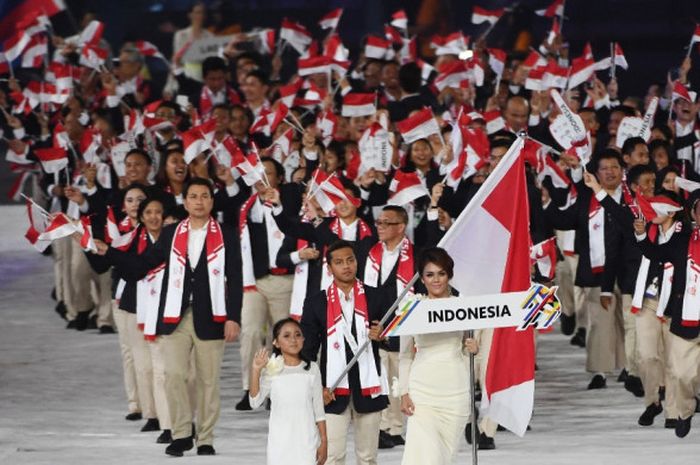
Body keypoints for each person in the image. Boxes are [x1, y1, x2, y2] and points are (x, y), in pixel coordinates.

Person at [95, 177, 243, 457]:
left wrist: (233, 317)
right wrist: (110, 252)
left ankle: (206, 437)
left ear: (212, 201)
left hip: (212, 316)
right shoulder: (172, 232)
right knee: (174, 375)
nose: (199, 201)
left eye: (204, 196)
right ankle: (182, 433)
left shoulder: (226, 233)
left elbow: (234, 278)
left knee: (208, 380)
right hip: (175, 315)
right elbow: (142, 265)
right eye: (193, 196)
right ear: (184, 202)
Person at [300, 240, 389, 465]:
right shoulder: (315, 302)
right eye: (339, 262)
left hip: (369, 387)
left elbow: (394, 339)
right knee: (331, 457)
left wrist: (384, 335)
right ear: (329, 269)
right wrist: (315, 387)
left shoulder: (376, 296)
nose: (346, 266)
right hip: (331, 389)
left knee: (368, 457)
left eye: (350, 260)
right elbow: (308, 351)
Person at [398, 247, 478, 465]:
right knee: (425, 456)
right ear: (422, 278)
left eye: (441, 274)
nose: (436, 280)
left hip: (455, 392)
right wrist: (404, 392)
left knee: (445, 457)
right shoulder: (412, 308)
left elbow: (467, 349)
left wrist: (473, 349)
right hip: (423, 394)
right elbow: (405, 356)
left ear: (449, 275)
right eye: (430, 274)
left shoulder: (465, 307)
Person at [250, 318, 328, 465]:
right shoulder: (272, 369)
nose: (293, 340)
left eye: (298, 335)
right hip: (280, 443)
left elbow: (319, 410)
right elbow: (255, 402)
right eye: (286, 336)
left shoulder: (312, 369)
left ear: (303, 339)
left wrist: (323, 441)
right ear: (276, 342)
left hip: (307, 441)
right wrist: (256, 371)